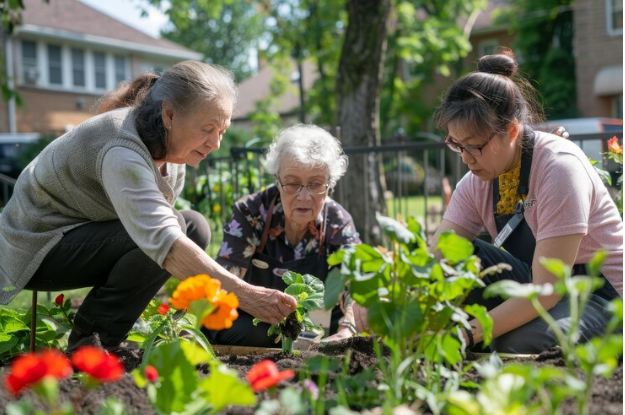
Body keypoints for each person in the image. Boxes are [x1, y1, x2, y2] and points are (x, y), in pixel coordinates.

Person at [0, 60, 297, 352]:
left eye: (222, 130)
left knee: (194, 226)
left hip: (77, 236)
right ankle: (91, 346)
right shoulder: (122, 150)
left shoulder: (171, 154)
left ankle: (100, 333)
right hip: (35, 244)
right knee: (175, 230)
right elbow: (163, 240)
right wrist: (246, 296)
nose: (216, 143)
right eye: (208, 128)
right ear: (169, 114)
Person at [430, 49, 623, 353]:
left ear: (511, 130)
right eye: (457, 145)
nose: (466, 158)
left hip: (599, 293)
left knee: (521, 341)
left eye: (474, 146)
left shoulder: (559, 168)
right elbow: (437, 255)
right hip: (541, 278)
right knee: (459, 253)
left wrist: (468, 333)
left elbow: (547, 290)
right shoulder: (476, 180)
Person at [209, 124, 361, 347]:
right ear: (277, 179)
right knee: (231, 326)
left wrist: (347, 330)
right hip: (258, 322)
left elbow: (354, 283)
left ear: (330, 184)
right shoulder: (251, 213)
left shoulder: (338, 221)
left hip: (319, 326)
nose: (304, 196)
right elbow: (225, 280)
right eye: (292, 183)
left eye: (316, 184)